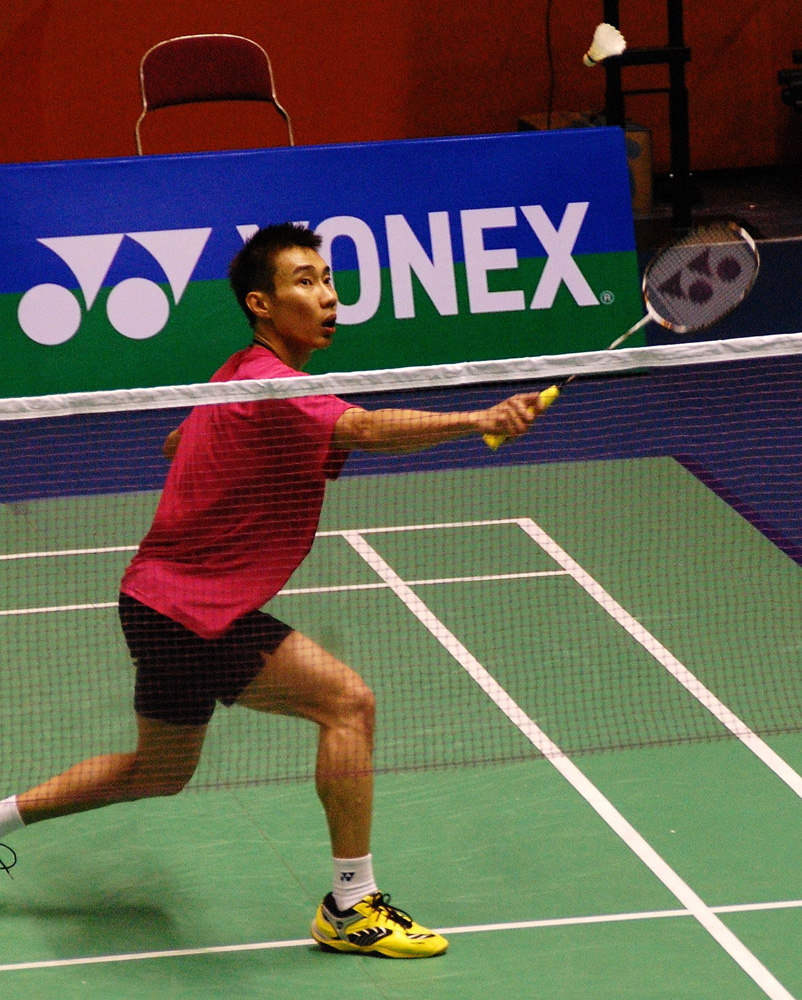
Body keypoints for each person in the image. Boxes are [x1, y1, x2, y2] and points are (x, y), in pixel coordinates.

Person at [0, 223, 549, 959]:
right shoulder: (279, 387)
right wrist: (479, 417)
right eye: (305, 282)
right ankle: (352, 905)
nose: (327, 296)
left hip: (155, 601)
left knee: (156, 772)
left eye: (328, 279)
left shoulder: (241, 373)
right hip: (193, 610)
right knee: (347, 703)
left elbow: (175, 441)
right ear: (261, 304)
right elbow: (366, 428)